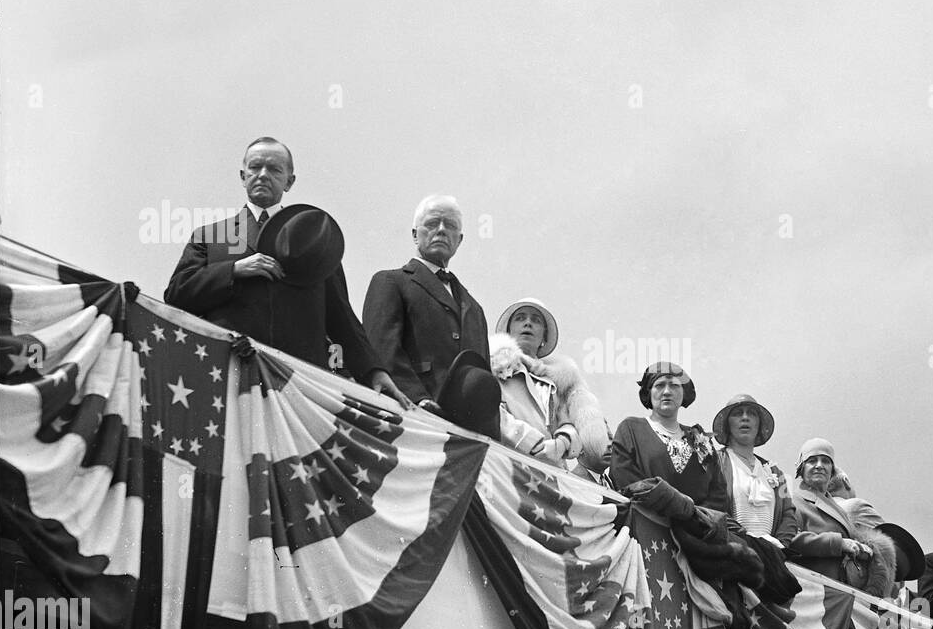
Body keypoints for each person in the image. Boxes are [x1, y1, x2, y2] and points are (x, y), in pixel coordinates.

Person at [164, 136, 409, 406]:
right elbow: (177, 293)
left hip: (300, 386)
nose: (263, 175)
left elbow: (342, 319)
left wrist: (373, 371)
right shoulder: (211, 236)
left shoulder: (316, 242)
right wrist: (233, 270)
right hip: (228, 379)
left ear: (289, 181)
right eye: (255, 167)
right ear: (242, 176)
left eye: (274, 169)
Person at [362, 195, 490, 411]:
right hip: (411, 414)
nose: (441, 230)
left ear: (459, 239)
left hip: (470, 431)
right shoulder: (390, 282)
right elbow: (382, 349)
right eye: (432, 224)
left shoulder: (475, 309)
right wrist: (417, 397)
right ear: (414, 234)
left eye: (450, 225)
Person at [488, 298, 608, 465]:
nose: (528, 323)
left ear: (544, 336)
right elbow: (486, 409)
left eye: (536, 320)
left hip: (551, 475)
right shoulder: (491, 364)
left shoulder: (558, 380)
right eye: (520, 318)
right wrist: (530, 441)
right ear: (508, 331)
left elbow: (568, 423)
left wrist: (563, 443)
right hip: (503, 464)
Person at [609, 363, 728, 513]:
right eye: (659, 385)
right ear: (649, 392)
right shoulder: (631, 429)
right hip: (647, 525)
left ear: (684, 393)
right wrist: (676, 507)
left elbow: (718, 493)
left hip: (697, 530)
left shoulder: (700, 439)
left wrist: (696, 518)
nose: (666, 392)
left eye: (674, 386)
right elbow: (624, 479)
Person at [786, 439, 900, 596]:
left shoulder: (837, 508)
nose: (819, 465)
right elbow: (788, 540)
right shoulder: (793, 501)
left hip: (841, 593)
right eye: (812, 460)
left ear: (832, 470)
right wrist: (838, 544)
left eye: (825, 461)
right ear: (801, 468)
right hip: (812, 593)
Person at [712, 393, 798, 549]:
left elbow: (788, 514)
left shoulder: (775, 472)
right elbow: (711, 508)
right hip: (730, 551)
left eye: (751, 413)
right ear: (727, 424)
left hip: (771, 556)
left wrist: (779, 546)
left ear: (759, 424)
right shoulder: (714, 462)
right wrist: (744, 538)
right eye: (738, 413)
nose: (745, 418)